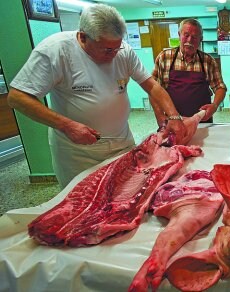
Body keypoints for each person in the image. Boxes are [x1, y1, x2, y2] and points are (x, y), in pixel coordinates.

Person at [7, 4, 186, 187]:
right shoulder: (56, 51)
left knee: (126, 195)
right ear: (83, 37)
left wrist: (173, 116)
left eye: (117, 48)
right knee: (85, 203)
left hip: (122, 143)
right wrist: (66, 125)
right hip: (79, 153)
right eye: (107, 50)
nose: (114, 54)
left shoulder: (122, 51)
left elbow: (153, 86)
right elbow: (17, 97)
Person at [152, 18, 227, 122]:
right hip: (174, 121)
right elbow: (153, 89)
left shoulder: (208, 61)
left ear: (201, 39)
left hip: (202, 120)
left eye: (195, 37)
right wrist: (159, 115)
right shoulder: (164, 58)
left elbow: (220, 87)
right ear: (179, 35)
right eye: (186, 35)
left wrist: (214, 106)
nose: (189, 40)